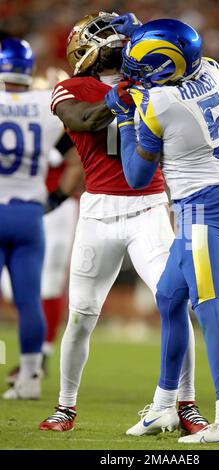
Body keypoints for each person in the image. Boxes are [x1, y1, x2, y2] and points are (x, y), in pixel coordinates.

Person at [39, 12, 207, 435]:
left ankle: (184, 404)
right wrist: (121, 98)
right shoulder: (72, 88)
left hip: (149, 208)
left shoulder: (158, 81)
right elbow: (80, 120)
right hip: (97, 212)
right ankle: (65, 406)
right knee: (81, 315)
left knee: (176, 305)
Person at [105, 18, 219, 444]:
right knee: (170, 298)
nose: (132, 73)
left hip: (205, 211)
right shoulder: (210, 69)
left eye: (139, 65)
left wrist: (126, 120)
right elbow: (177, 74)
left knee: (210, 308)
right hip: (218, 202)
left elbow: (136, 175)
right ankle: (165, 406)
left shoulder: (160, 105)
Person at [0, 38, 81, 399]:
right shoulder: (44, 103)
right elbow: (75, 150)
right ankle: (30, 378)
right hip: (31, 213)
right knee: (29, 298)